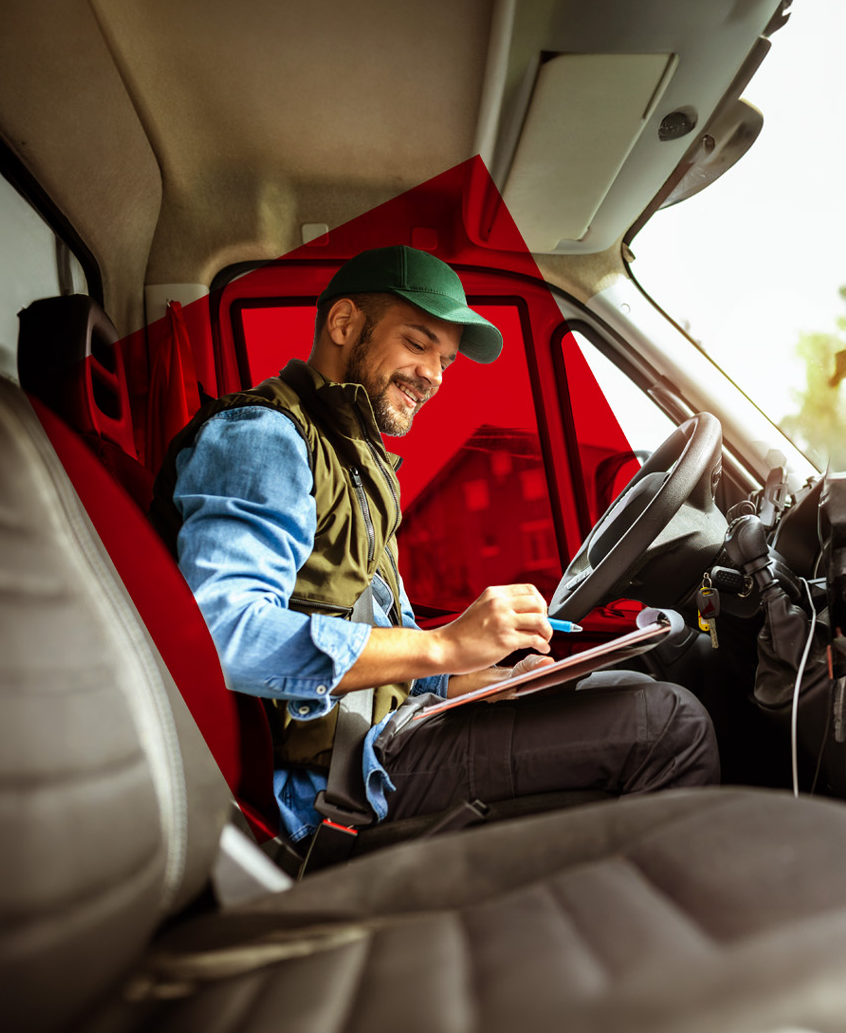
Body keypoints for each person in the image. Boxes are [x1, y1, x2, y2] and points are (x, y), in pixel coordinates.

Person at [151, 246, 719, 850]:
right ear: (344, 325)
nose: (434, 376)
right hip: (333, 782)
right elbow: (223, 636)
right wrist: (443, 645)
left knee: (625, 691)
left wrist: (463, 678)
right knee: (670, 725)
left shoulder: (356, 457)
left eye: (444, 360)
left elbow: (373, 641)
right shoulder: (261, 439)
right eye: (418, 344)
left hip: (379, 730)